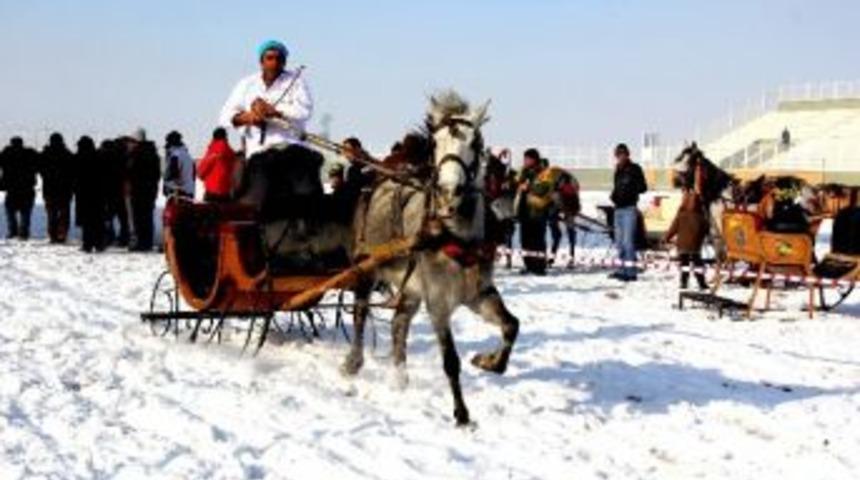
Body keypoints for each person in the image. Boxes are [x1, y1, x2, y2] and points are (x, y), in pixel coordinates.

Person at [219, 39, 323, 227]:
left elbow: (304, 111)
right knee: (257, 202)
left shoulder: (296, 81)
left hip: (292, 150)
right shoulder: (246, 84)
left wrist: (275, 111)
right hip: (260, 154)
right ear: (261, 61)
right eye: (269, 58)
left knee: (309, 197)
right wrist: (249, 117)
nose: (274, 62)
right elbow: (225, 116)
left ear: (284, 62)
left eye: (279, 58)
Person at [609, 143, 647, 281]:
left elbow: (643, 187)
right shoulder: (617, 169)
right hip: (618, 209)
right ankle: (621, 269)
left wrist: (631, 186)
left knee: (628, 241)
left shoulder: (635, 169)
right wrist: (613, 196)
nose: (620, 157)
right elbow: (617, 187)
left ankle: (630, 272)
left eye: (622, 154)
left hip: (629, 209)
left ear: (627, 154)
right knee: (619, 242)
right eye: (618, 155)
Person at [516, 148, 552, 275]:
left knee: (537, 241)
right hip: (525, 212)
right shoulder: (525, 172)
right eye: (524, 159)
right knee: (525, 241)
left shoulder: (544, 172)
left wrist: (528, 187)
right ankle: (529, 265)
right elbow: (517, 183)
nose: (525, 161)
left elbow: (543, 189)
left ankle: (540, 267)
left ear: (534, 159)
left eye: (527, 159)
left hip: (538, 213)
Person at [663, 191, 708, 290]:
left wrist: (666, 238)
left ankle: (684, 282)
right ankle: (702, 283)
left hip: (682, 245)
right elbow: (706, 230)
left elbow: (673, 229)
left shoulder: (681, 215)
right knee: (698, 264)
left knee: (684, 265)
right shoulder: (701, 217)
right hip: (696, 245)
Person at [126, 129, 161, 251]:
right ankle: (148, 242)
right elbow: (157, 174)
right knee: (147, 217)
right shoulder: (153, 153)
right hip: (150, 190)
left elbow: (130, 172)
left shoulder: (136, 154)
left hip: (138, 190)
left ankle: (141, 243)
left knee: (138, 217)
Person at [39, 133, 75, 243]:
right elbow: (72, 172)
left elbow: (41, 170)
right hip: (65, 189)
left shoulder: (45, 154)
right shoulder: (67, 154)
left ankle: (53, 235)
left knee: (51, 214)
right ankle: (62, 234)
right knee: (64, 214)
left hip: (49, 189)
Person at [0, 137, 39, 240]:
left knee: (10, 211)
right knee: (25, 212)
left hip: (12, 189)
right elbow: (39, 162)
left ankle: (13, 231)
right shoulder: (29, 154)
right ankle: (24, 232)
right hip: (27, 188)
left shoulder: (7, 154)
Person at [75, 136, 107, 252]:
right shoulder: (100, 157)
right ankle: (99, 243)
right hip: (98, 194)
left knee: (86, 222)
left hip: (83, 194)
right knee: (98, 220)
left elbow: (74, 176)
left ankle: (87, 244)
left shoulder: (78, 158)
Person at [101, 139, 130, 247]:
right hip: (118, 191)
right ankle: (124, 237)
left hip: (106, 191)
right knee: (122, 217)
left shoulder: (102, 157)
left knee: (108, 216)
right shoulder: (121, 157)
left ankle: (108, 236)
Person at [198, 127, 238, 203]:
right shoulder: (231, 153)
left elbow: (201, 171)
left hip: (212, 191)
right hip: (226, 191)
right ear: (226, 137)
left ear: (214, 137)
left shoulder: (213, 151)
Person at [162, 131, 196, 199]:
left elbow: (173, 176)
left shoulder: (175, 156)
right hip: (189, 192)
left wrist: (166, 187)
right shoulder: (188, 156)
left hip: (178, 194)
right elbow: (193, 176)